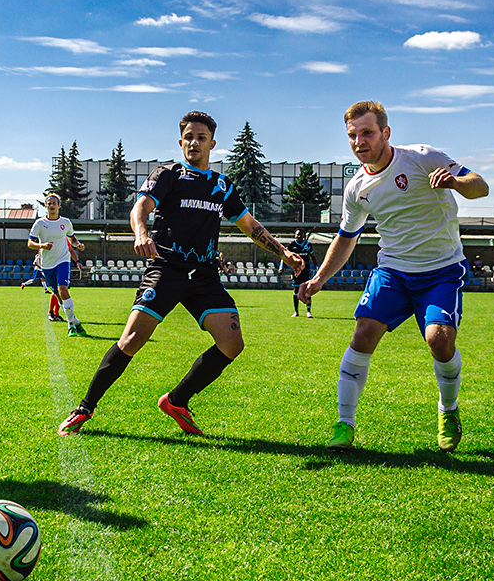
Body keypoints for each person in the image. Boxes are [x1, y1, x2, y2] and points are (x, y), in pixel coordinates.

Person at [56, 112, 303, 437]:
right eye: (189, 136)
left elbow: (249, 226)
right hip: (166, 268)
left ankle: (177, 400)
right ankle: (84, 409)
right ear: (180, 141)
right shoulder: (169, 175)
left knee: (232, 344)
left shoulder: (222, 186)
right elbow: (139, 208)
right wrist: (141, 233)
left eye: (201, 137)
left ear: (212, 144)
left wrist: (283, 251)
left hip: (203, 275)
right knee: (131, 340)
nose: (194, 142)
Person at [297, 101, 489, 453]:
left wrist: (456, 182)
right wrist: (319, 278)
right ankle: (344, 424)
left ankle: (448, 410)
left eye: (367, 133)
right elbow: (346, 238)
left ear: (386, 132)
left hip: (441, 270)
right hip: (393, 271)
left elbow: (481, 186)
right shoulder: (357, 188)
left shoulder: (422, 157)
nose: (359, 142)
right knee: (363, 333)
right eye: (352, 136)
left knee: (440, 341)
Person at [29, 193, 84, 335]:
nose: (52, 205)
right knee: (58, 296)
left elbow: (72, 238)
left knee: (63, 290)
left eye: (54, 203)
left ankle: (70, 325)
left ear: (59, 206)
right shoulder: (40, 223)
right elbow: (30, 243)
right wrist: (42, 245)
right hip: (47, 265)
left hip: (63, 260)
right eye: (49, 203)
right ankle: (76, 322)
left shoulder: (65, 222)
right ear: (45, 206)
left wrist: (78, 245)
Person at [20, 249, 63, 321]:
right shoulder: (44, 249)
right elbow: (38, 259)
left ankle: (56, 313)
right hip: (46, 269)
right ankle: (52, 312)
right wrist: (43, 269)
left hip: (60, 267)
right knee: (56, 290)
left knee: (62, 291)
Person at [285, 228, 316, 317]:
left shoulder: (308, 245)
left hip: (306, 270)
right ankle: (296, 311)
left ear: (304, 236)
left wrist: (317, 266)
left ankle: (308, 311)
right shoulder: (291, 245)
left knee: (307, 288)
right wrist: (281, 267)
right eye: (297, 234)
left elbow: (312, 256)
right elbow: (285, 256)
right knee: (296, 289)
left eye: (301, 234)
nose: (299, 236)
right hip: (296, 270)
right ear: (295, 235)